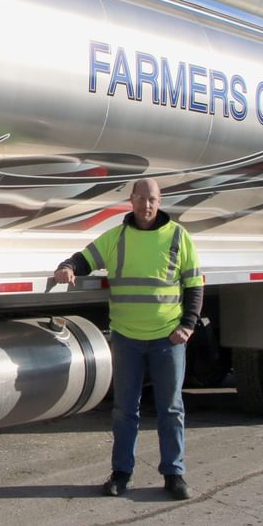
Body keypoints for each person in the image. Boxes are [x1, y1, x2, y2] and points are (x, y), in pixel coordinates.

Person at [53, 178, 203, 501]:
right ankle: (121, 473)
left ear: (160, 201)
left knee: (171, 409)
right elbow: (86, 257)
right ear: (131, 200)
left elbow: (194, 286)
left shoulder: (179, 236)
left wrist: (188, 326)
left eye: (152, 199)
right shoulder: (116, 238)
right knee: (124, 411)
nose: (146, 205)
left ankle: (174, 474)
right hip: (127, 340)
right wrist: (67, 266)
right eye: (140, 198)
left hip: (168, 340)